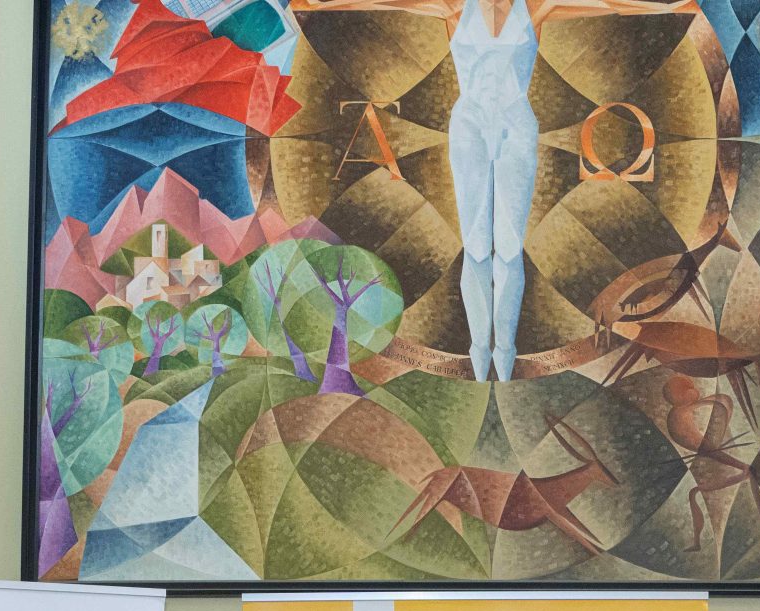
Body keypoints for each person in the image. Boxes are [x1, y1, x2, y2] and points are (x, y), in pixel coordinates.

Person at [290, 0, 698, 383]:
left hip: (517, 124)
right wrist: (316, 5)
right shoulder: (456, 6)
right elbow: (386, 1)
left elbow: (603, 3)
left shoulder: (532, 7)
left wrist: (672, 6)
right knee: (475, 247)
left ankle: (505, 351)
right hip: (468, 125)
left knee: (509, 247)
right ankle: (478, 350)